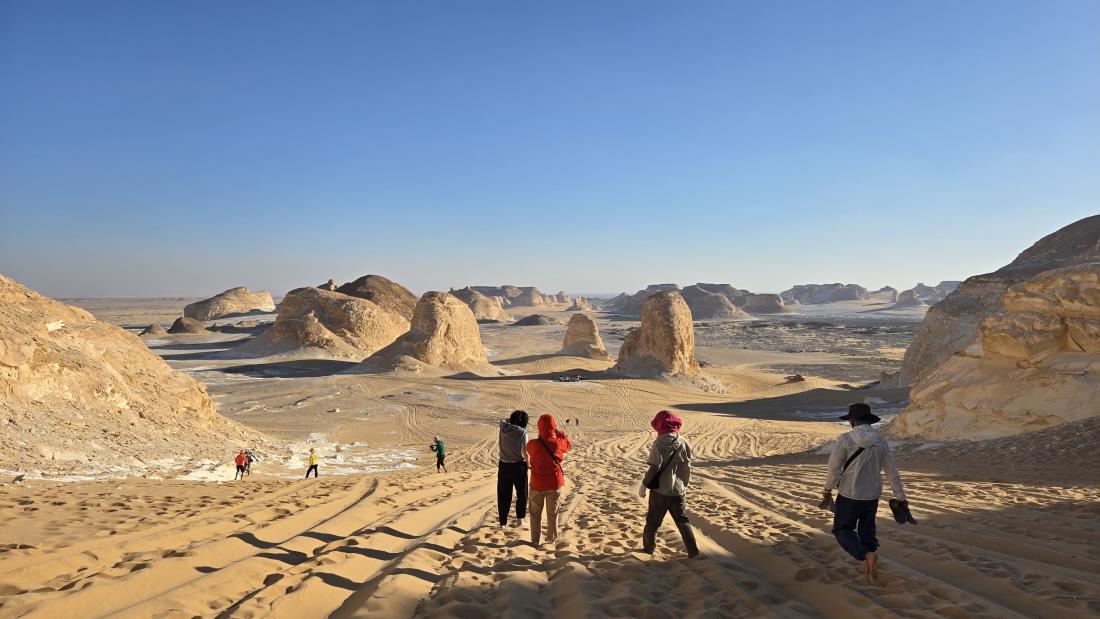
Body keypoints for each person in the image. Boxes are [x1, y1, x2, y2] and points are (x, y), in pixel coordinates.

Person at [823, 403, 909, 584]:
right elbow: (892, 472)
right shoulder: (881, 441)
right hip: (872, 495)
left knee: (842, 529)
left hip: (849, 494)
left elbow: (834, 469)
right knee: (866, 530)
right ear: (869, 420)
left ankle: (865, 555)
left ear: (852, 420)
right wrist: (901, 497)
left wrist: (827, 489)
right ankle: (867, 563)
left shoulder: (846, 439)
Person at [640, 410, 699, 558]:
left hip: (660, 491)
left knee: (652, 522)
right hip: (679, 491)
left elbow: (654, 467)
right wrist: (683, 486)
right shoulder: (684, 442)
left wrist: (644, 485)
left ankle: (648, 550)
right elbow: (687, 467)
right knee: (683, 522)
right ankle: (693, 552)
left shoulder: (659, 442)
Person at [526, 413, 571, 547]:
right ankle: (551, 540)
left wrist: (541, 436)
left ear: (539, 426)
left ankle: (535, 540)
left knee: (535, 514)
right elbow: (568, 445)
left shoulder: (533, 444)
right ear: (553, 426)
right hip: (554, 483)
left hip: (537, 484)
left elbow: (529, 450)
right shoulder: (558, 443)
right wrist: (559, 433)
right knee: (552, 514)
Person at [498, 410, 530, 528]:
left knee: (503, 494)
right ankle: (520, 519)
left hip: (503, 466)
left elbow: (503, 419)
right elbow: (525, 452)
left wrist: (510, 421)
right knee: (522, 493)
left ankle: (502, 523)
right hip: (518, 466)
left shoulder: (503, 427)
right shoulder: (522, 432)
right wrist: (528, 464)